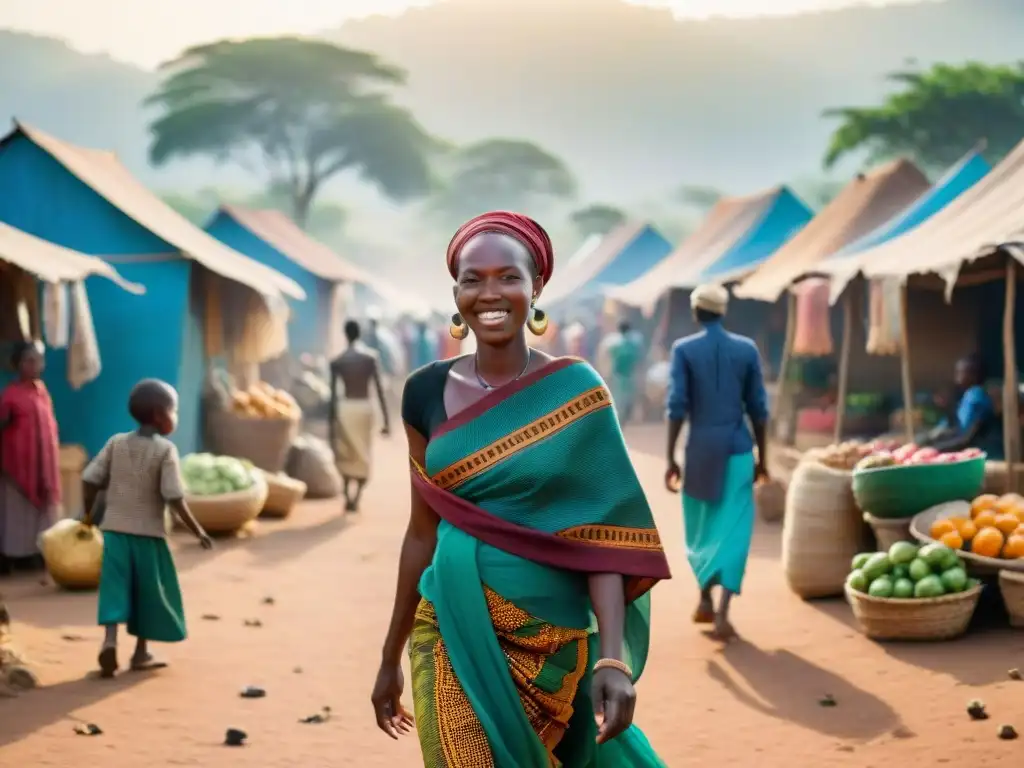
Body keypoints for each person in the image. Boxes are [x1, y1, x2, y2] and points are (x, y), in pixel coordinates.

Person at [370, 211, 670, 767]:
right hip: (448, 621)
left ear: (536, 288)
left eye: (508, 276)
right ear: (455, 290)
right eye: (472, 278)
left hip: (551, 636)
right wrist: (389, 656)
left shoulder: (575, 391)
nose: (490, 292)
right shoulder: (424, 393)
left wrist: (612, 660)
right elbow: (420, 533)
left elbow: (601, 535)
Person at [81, 379, 212, 677]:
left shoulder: (116, 443)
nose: (175, 417)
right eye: (173, 411)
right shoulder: (165, 450)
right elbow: (174, 497)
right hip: (149, 536)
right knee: (149, 593)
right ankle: (140, 652)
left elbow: (90, 479)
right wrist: (198, 531)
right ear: (158, 414)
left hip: (114, 531)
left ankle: (110, 641)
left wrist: (88, 515)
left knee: (114, 589)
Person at [664, 284, 768, 641]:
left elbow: (676, 406)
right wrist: (763, 459)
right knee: (735, 531)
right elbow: (759, 409)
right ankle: (722, 611)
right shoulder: (747, 350)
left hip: (700, 452)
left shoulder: (684, 350)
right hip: (739, 450)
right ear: (723, 312)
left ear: (696, 312)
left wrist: (669, 457)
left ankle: (704, 597)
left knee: (701, 529)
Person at [0, 341, 60, 575]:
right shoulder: (10, 396)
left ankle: (38, 554)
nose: (35, 365)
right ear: (18, 364)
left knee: (43, 512)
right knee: (17, 514)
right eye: (29, 360)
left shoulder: (42, 391)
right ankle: (15, 557)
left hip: (43, 465)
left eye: (38, 360)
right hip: (18, 467)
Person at [328, 320, 391, 512]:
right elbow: (379, 391)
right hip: (364, 408)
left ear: (345, 335)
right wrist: (386, 421)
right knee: (363, 453)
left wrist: (331, 423)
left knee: (346, 452)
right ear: (359, 334)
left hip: (345, 408)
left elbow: (332, 395)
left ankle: (348, 494)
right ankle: (356, 497)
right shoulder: (370, 358)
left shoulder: (338, 361)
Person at [924, 354, 1002, 458]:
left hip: (983, 453)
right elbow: (956, 427)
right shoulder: (967, 395)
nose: (957, 375)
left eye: (961, 372)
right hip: (971, 449)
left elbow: (965, 438)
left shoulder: (976, 397)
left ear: (973, 375)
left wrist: (935, 449)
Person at [605, 321, 644, 424]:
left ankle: (619, 421)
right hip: (630, 375)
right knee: (629, 399)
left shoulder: (614, 344)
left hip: (618, 376)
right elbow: (639, 361)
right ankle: (626, 420)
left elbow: (610, 360)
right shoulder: (635, 343)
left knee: (619, 400)